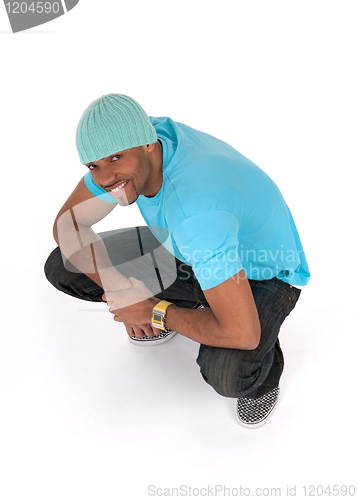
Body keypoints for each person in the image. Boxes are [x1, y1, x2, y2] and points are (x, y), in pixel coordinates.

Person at [44, 93, 310, 429]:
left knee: (229, 372)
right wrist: (122, 288)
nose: (105, 178)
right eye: (93, 166)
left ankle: (264, 374)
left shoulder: (197, 210)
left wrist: (155, 311)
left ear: (148, 146)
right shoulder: (134, 138)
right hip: (189, 249)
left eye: (114, 159)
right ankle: (199, 304)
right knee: (64, 265)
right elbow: (68, 225)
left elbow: (241, 334)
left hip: (263, 270)